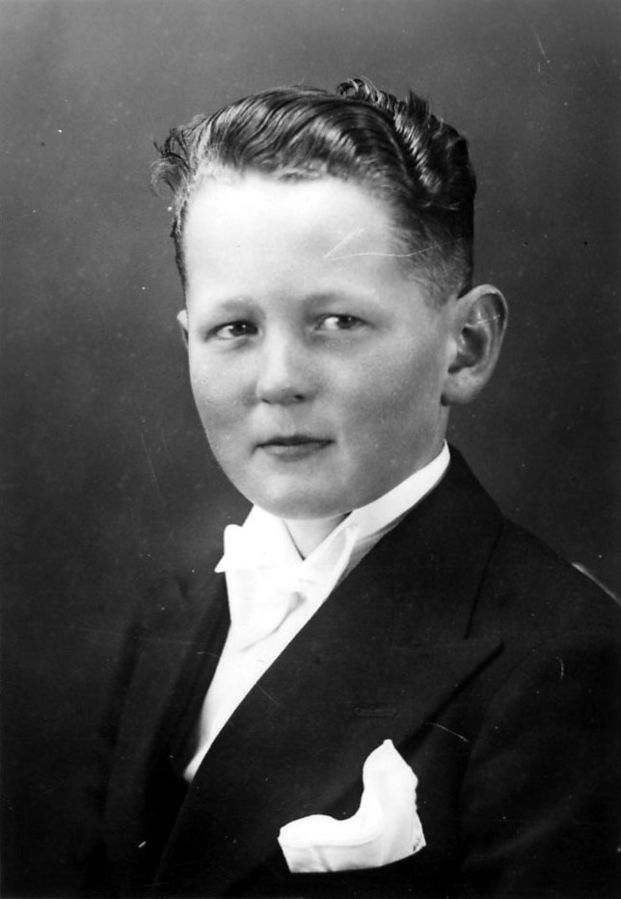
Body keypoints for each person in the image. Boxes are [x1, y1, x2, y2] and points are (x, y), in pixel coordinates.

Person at [82, 78, 621, 897]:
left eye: (336, 322)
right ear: (189, 340)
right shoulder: (172, 614)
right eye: (235, 328)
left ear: (465, 346)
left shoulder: (562, 660)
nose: (278, 380)